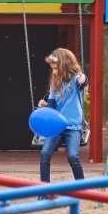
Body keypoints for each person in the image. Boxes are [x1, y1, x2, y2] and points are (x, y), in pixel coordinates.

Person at [37, 48, 87, 185]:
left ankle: (82, 187)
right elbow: (52, 107)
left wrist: (84, 78)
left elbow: (82, 82)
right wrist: (45, 106)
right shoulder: (55, 83)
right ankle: (44, 189)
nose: (53, 71)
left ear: (64, 65)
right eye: (52, 68)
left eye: (55, 68)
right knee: (44, 154)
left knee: (72, 156)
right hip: (57, 127)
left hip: (73, 126)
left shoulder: (76, 80)